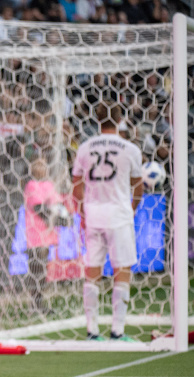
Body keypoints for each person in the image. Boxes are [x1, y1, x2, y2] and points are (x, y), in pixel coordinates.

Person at [72, 100, 143, 342]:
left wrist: (82, 213)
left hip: (93, 215)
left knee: (92, 270)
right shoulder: (130, 149)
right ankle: (118, 331)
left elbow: (76, 185)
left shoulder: (85, 147)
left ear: (97, 119)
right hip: (119, 215)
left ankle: (92, 331)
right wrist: (131, 209)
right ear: (120, 118)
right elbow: (138, 186)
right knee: (121, 269)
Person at [24, 157, 66, 312]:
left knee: (44, 271)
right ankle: (35, 304)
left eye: (43, 164)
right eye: (37, 165)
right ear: (32, 168)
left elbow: (58, 204)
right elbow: (38, 208)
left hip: (48, 234)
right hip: (35, 235)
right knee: (36, 270)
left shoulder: (49, 185)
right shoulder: (31, 185)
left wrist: (63, 217)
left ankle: (40, 303)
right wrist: (55, 219)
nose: (40, 168)